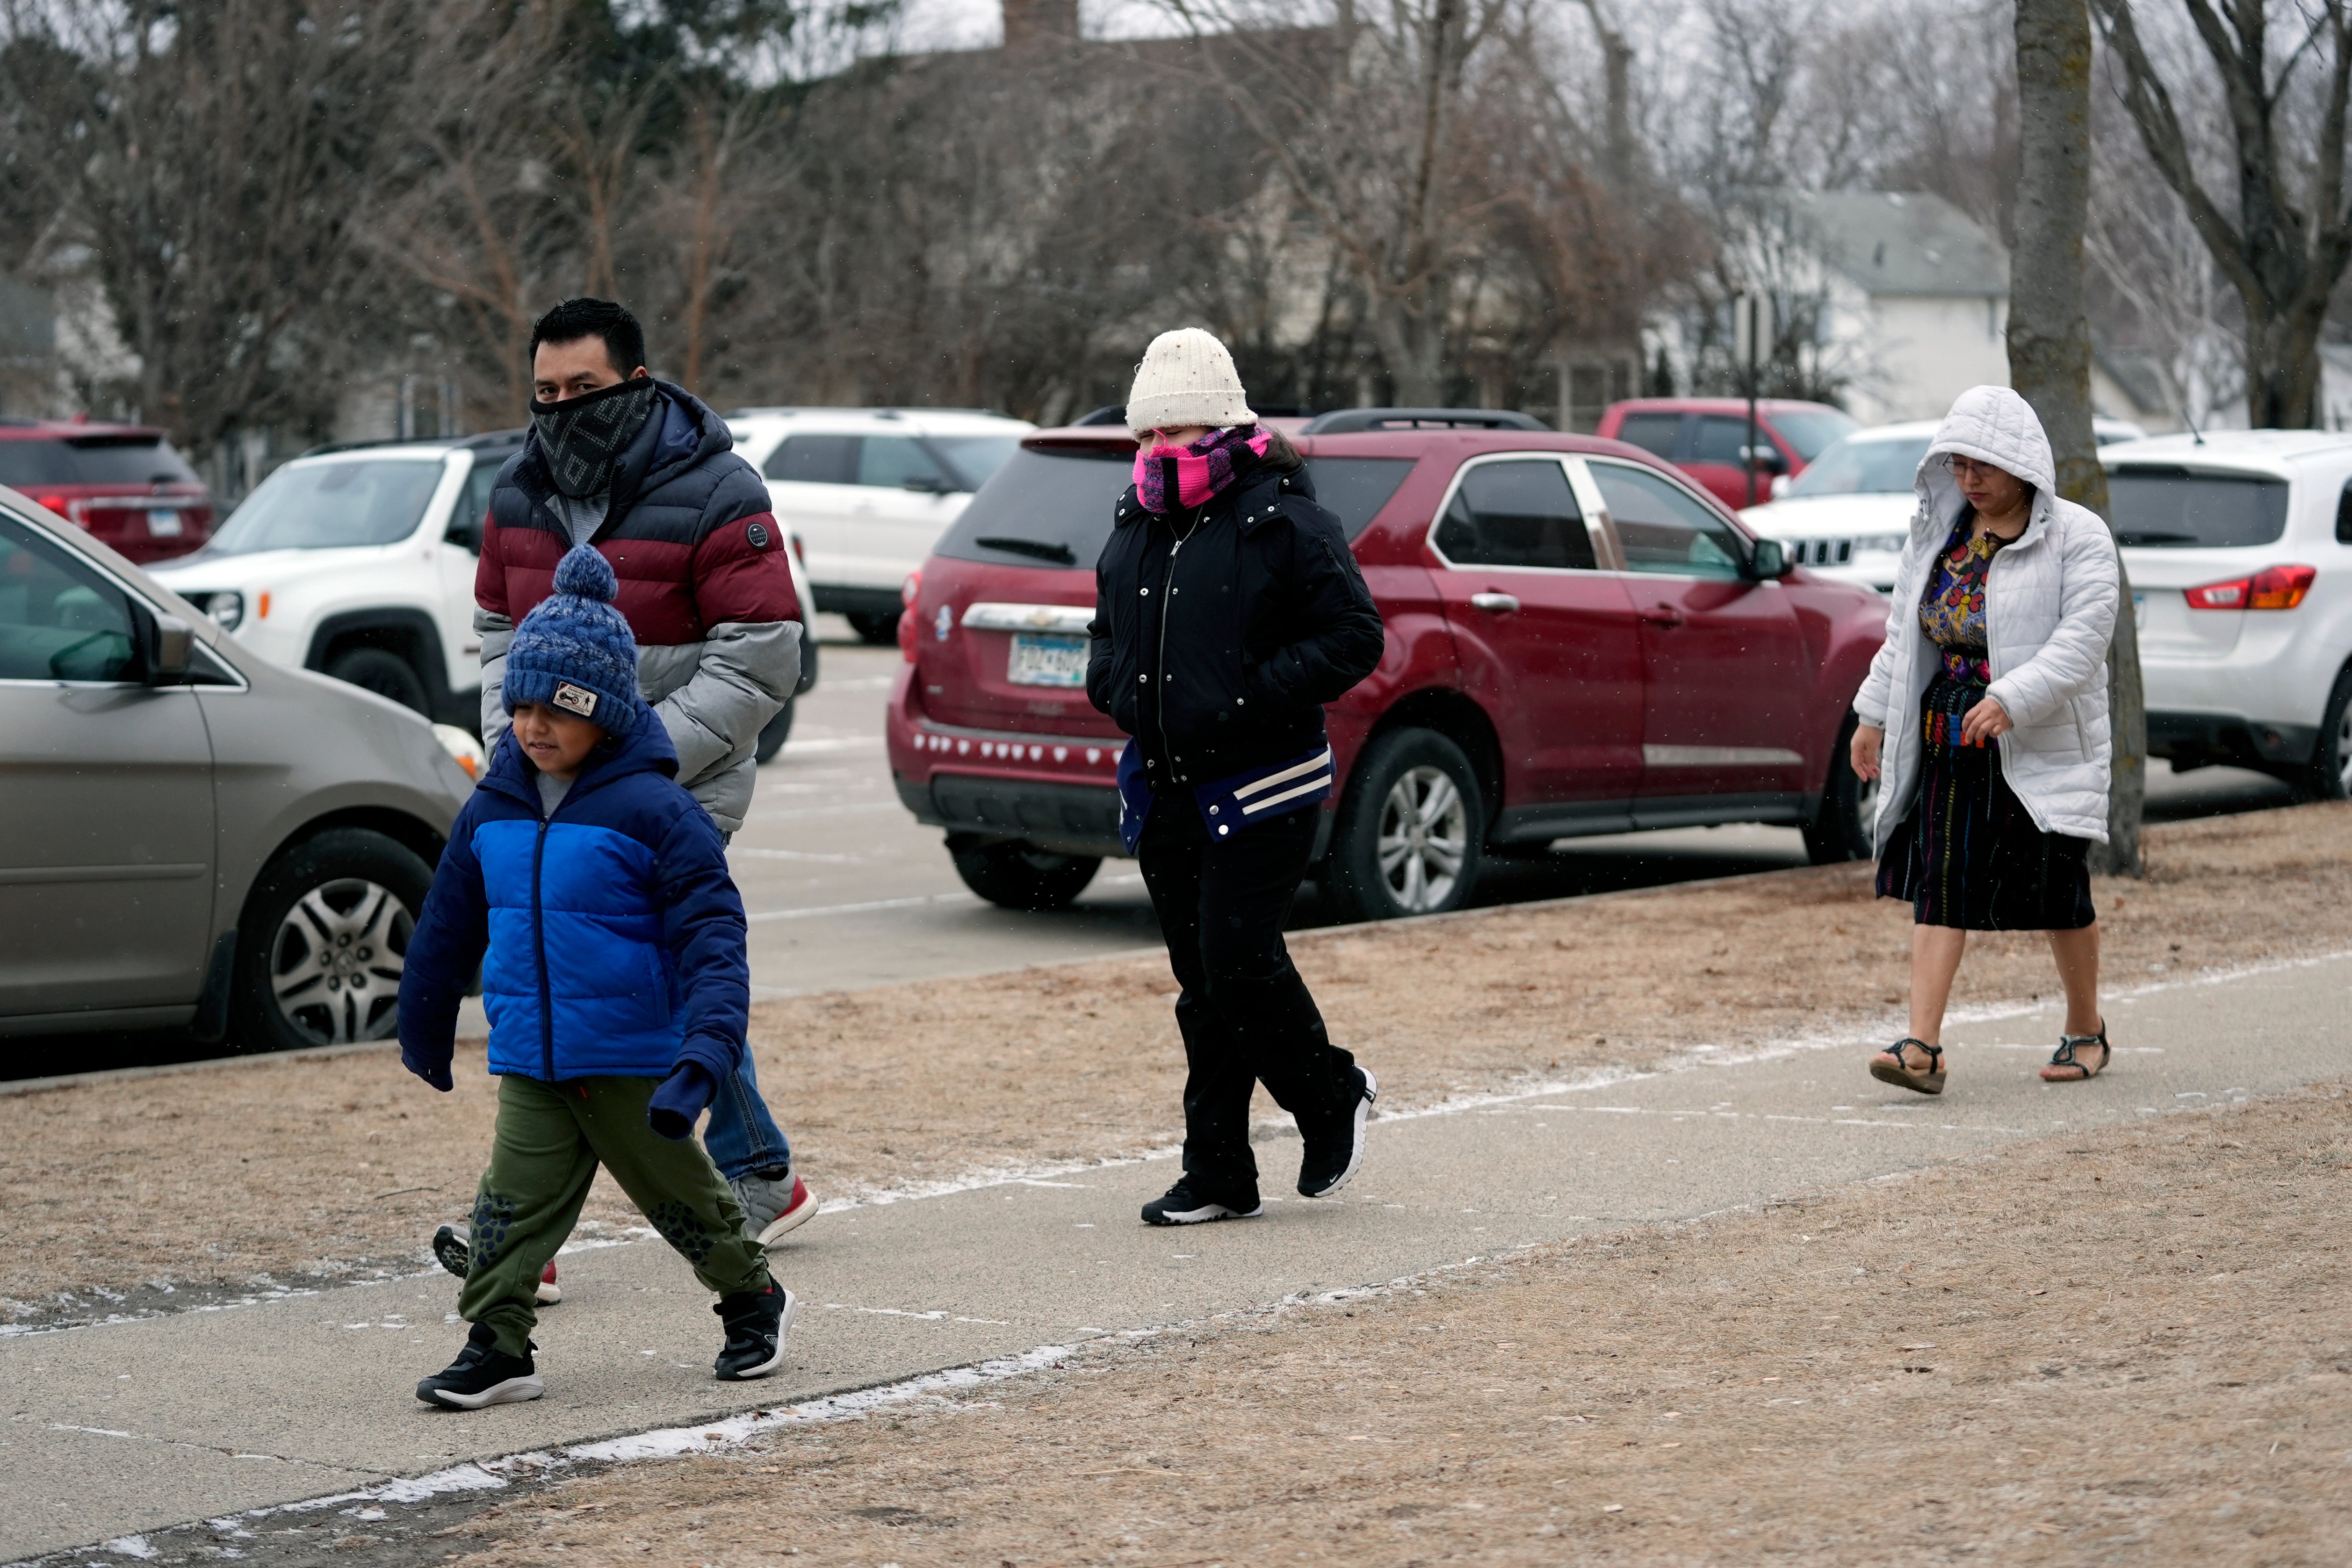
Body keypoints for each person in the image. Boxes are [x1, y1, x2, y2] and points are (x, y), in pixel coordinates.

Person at [398, 545, 794, 1408]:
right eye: (524, 707)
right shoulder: (494, 805)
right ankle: (498, 1344)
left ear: (607, 715)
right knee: (508, 1207)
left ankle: (751, 1297)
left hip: (628, 1057)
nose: (536, 727)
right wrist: (423, 1015)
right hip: (533, 1056)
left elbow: (713, 935)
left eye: (561, 711)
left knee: (686, 1202)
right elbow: (448, 920)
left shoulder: (654, 811)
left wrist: (706, 1051)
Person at [469, 297, 815, 1248]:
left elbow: (761, 656)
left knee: (614, 978)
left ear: (637, 383)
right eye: (546, 391)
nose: (563, 406)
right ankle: (756, 1171)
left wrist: (636, 760)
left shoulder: (717, 490)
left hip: (677, 786)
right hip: (553, 787)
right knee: (636, 978)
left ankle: (519, 1234)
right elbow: (500, 634)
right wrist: (519, 741)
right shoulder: (516, 493)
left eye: (583, 388)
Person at [1086, 328, 1386, 1226]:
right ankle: (1217, 1169)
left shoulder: (1286, 518)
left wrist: (1250, 695)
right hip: (1165, 786)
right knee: (1201, 984)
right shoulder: (1135, 523)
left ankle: (1331, 1095)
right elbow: (1106, 638)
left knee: (1237, 962)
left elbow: (1354, 638)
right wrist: (1117, 691)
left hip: (1266, 784)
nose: (1152, 454)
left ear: (1217, 428)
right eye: (1142, 437)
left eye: (1169, 434)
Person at [1849, 385, 2120, 1095]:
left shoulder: (2079, 536)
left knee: (2057, 891)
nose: (1969, 478)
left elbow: (2083, 642)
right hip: (1949, 735)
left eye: (1985, 465)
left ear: (2024, 465)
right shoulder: (1938, 535)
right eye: (1959, 463)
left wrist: (2010, 697)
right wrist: (1872, 712)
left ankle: (2085, 1029)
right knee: (1940, 884)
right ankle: (1922, 1046)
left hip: (2039, 740)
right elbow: (1902, 635)